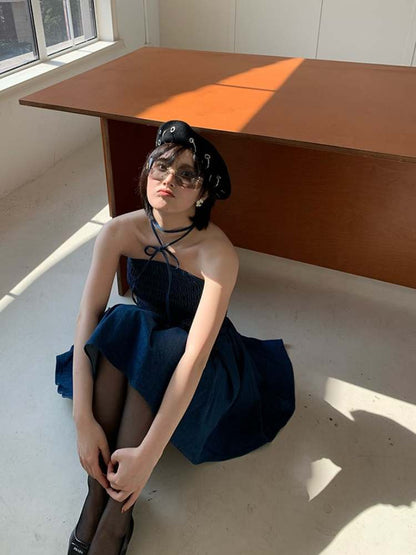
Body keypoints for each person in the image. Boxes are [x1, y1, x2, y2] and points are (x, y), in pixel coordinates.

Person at [55, 120, 295, 555]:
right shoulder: (118, 231)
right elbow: (88, 316)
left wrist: (148, 455)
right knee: (124, 322)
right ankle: (95, 494)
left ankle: (117, 517)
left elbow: (194, 359)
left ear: (203, 194)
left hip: (198, 361)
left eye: (187, 175)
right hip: (145, 337)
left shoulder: (217, 254)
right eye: (161, 166)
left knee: (166, 345)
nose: (168, 179)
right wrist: (82, 420)